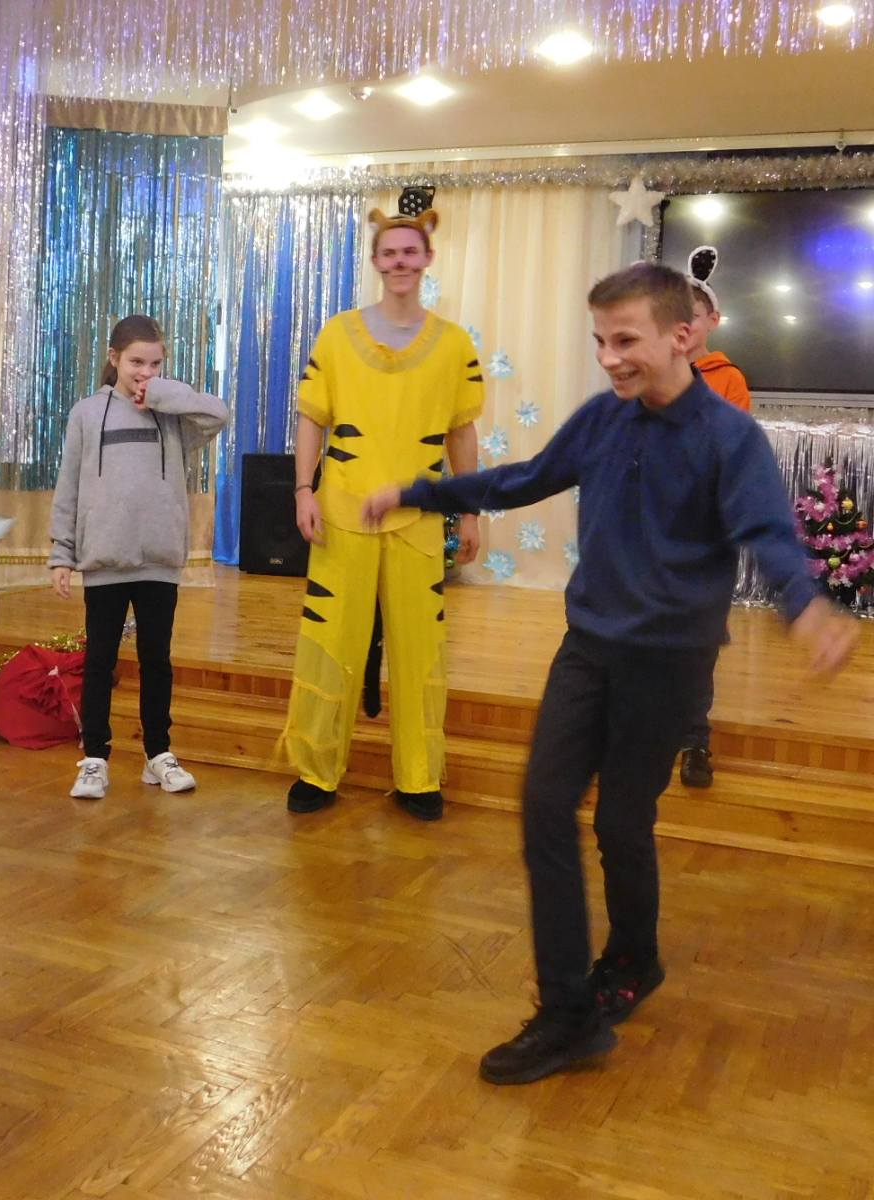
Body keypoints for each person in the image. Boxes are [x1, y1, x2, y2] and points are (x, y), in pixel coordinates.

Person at [359, 262, 858, 1085]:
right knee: (543, 807)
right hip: (587, 647)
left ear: (682, 335)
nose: (608, 358)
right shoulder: (602, 418)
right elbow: (523, 479)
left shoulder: (729, 437)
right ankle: (567, 1016)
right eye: (599, 341)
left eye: (625, 340)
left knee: (623, 823)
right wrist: (421, 492)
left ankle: (633, 958)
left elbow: (767, 533)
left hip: (668, 664)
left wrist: (804, 607)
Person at [281, 202, 483, 821]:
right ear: (375, 261)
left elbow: (462, 432)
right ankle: (317, 769)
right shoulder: (337, 334)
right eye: (389, 252)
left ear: (427, 259)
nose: (400, 262)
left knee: (421, 647)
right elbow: (312, 418)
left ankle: (419, 777)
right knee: (330, 639)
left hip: (420, 518)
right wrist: (304, 489)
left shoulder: (453, 344)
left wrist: (470, 511)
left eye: (409, 252)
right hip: (342, 510)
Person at [48, 315, 228, 801]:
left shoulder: (171, 415)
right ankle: (95, 758)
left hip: (159, 561)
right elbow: (69, 487)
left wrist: (164, 394)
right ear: (113, 359)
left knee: (156, 660)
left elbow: (217, 415)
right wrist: (62, 553)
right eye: (136, 363)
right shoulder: (87, 414)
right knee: (100, 661)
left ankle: (158, 754)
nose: (145, 372)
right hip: (104, 560)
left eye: (155, 364)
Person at [678, 246, 753, 789]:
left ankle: (693, 739)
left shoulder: (729, 379)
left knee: (697, 639)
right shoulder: (646, 371)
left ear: (712, 321)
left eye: (694, 313)